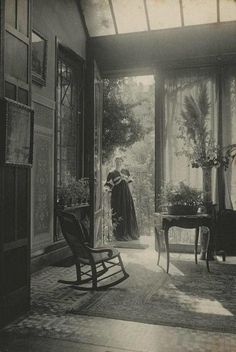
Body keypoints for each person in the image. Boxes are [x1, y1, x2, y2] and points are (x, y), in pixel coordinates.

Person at [105, 157, 139, 241]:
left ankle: (130, 233)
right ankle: (119, 234)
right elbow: (107, 186)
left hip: (126, 196)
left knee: (127, 212)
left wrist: (131, 195)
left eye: (120, 162)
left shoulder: (126, 171)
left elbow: (130, 184)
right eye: (117, 162)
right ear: (114, 162)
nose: (118, 163)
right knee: (118, 212)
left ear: (122, 162)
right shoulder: (111, 173)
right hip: (117, 197)